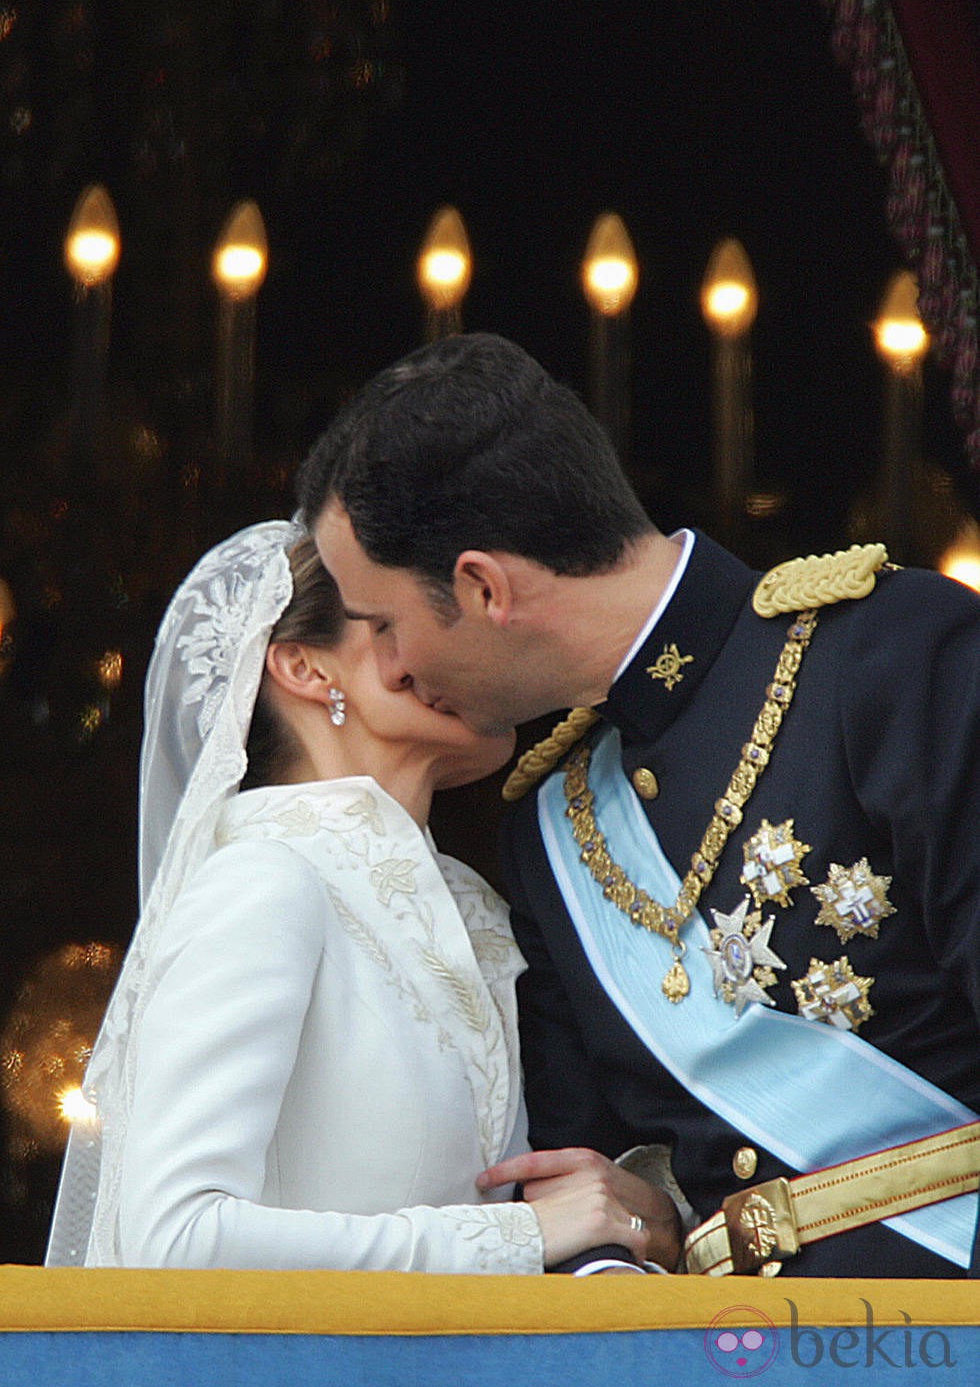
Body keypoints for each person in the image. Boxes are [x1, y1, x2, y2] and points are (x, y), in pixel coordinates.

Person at [299, 331, 980, 1279]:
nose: (391, 666)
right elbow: (585, 1195)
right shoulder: (548, 832)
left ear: (483, 587)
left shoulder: (894, 658)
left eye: (383, 622)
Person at [45, 519, 680, 1272]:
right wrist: (518, 1237)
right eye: (392, 624)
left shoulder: (471, 905)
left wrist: (646, 1209)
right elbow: (176, 1240)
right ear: (305, 667)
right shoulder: (264, 880)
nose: (446, 647)